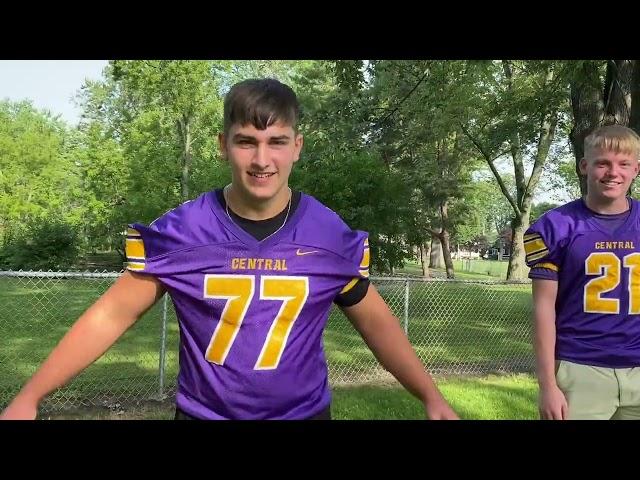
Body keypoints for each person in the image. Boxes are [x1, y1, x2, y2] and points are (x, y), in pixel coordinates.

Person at [1, 78, 457, 420]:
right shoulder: (183, 230)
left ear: (296, 147)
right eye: (247, 142)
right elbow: (112, 314)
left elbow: (375, 320)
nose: (262, 160)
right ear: (223, 146)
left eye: (277, 142)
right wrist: (31, 394)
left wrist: (431, 396)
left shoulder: (327, 233)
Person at [526, 124, 640, 420]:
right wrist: (547, 384)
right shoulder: (555, 226)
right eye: (603, 162)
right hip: (580, 367)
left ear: (636, 169)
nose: (613, 172)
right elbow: (543, 309)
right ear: (584, 166)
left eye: (623, 164)